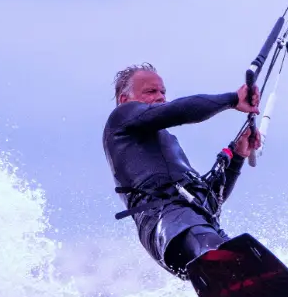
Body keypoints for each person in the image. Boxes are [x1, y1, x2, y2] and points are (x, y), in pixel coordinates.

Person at [103, 63, 261, 276]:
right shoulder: (120, 118)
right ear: (124, 99)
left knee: (247, 260)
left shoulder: (165, 145)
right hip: (167, 222)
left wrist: (238, 157)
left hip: (189, 224)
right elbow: (178, 111)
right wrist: (233, 99)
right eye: (151, 92)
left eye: (163, 92)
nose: (160, 97)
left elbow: (211, 201)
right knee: (231, 260)